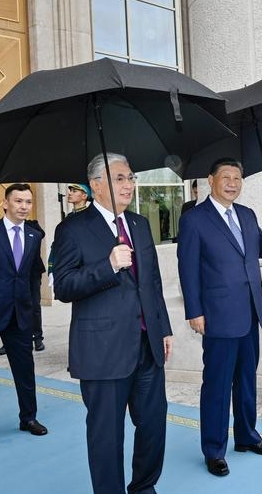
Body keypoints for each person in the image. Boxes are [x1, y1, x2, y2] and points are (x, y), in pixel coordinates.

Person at [53, 153, 173, 494]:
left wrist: (163, 328)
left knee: (153, 425)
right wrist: (107, 266)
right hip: (102, 352)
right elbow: (63, 286)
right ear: (96, 186)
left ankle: (143, 488)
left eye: (131, 178)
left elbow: (152, 282)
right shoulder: (72, 229)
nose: (129, 185)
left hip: (147, 346)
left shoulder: (139, 224)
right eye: (119, 178)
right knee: (106, 436)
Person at [177, 158, 262, 477]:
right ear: (210, 180)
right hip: (217, 316)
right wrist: (194, 311)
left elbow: (258, 250)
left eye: (237, 178)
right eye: (225, 177)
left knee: (246, 380)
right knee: (217, 385)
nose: (232, 183)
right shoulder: (195, 220)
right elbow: (187, 269)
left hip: (250, 311)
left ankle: (246, 437)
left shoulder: (247, 214)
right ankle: (214, 449)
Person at [0, 183, 48, 436]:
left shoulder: (34, 235)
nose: (24, 206)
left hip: (20, 315)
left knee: (25, 370)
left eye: (28, 202)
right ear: (5, 203)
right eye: (18, 201)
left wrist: (30, 308)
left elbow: (29, 276)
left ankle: (28, 418)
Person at [0, 218, 46, 355]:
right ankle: (8, 342)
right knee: (11, 306)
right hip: (12, 275)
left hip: (32, 274)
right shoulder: (0, 230)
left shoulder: (32, 225)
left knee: (34, 306)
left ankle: (37, 338)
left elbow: (41, 234)